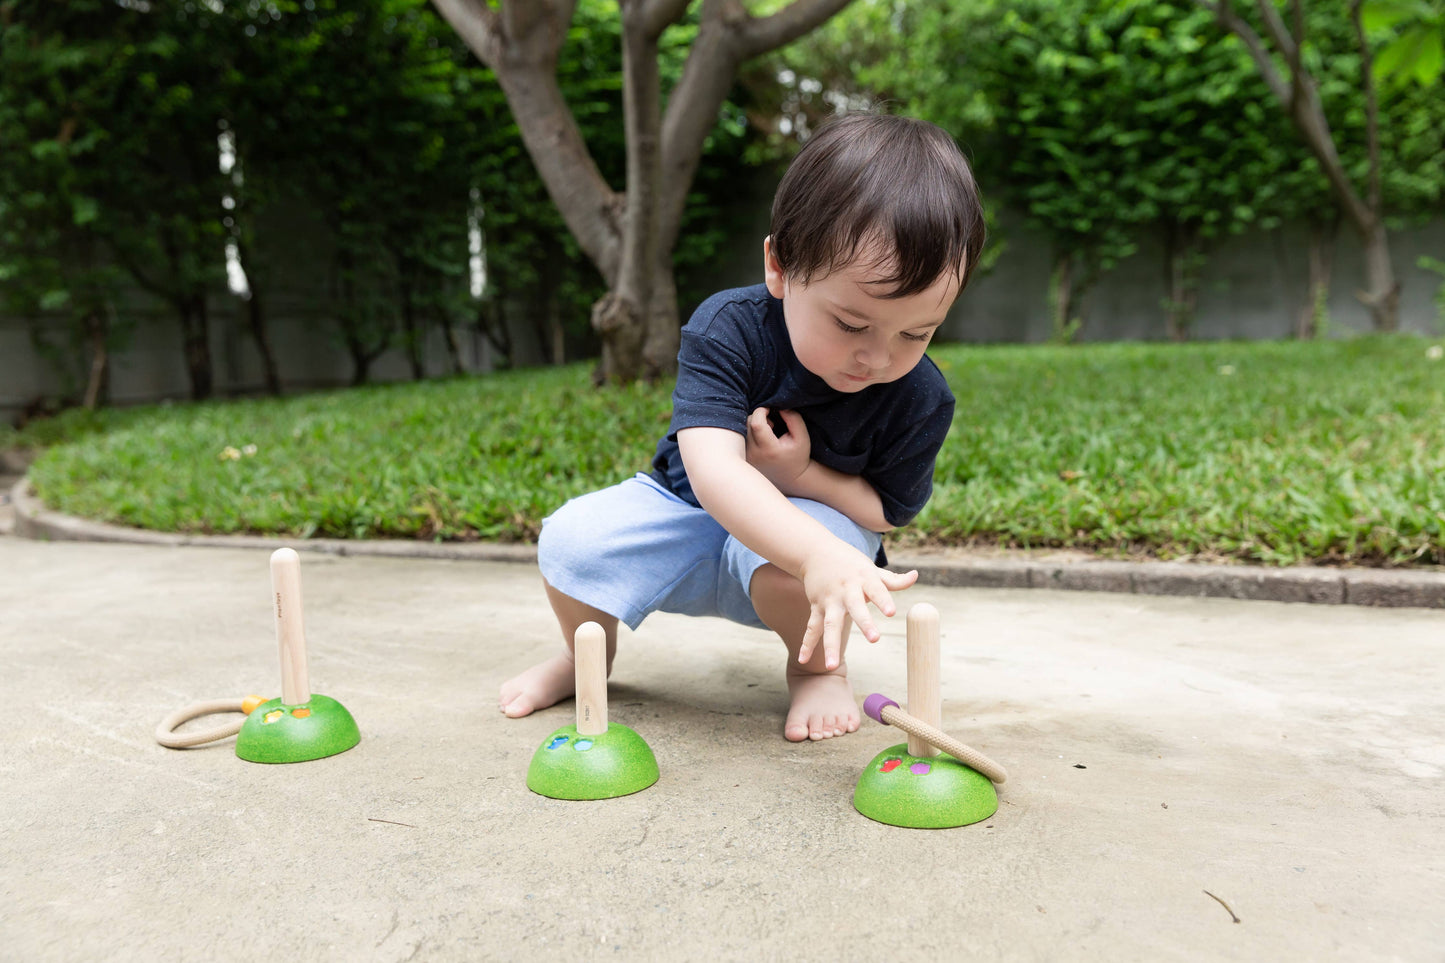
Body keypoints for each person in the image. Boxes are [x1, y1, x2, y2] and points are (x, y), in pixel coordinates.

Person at [500, 112, 986, 742]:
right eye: (850, 324)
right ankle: (583, 656)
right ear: (780, 268)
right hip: (687, 517)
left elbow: (886, 511)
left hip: (802, 556)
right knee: (571, 540)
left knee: (803, 561)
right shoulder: (728, 327)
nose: (878, 356)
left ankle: (814, 671)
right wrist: (810, 548)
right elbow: (713, 472)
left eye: (916, 333)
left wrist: (801, 479)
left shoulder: (921, 396)